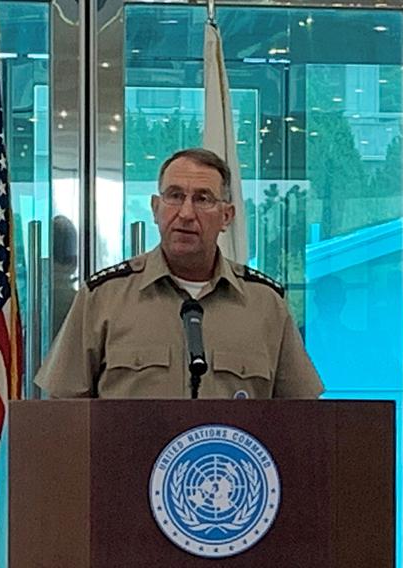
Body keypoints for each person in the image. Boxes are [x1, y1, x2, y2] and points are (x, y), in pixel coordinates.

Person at [35, 148, 324, 399]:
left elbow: (301, 416)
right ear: (155, 208)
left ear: (227, 216)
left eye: (202, 199)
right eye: (175, 196)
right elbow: (64, 411)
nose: (186, 213)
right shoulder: (103, 297)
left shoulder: (266, 304)